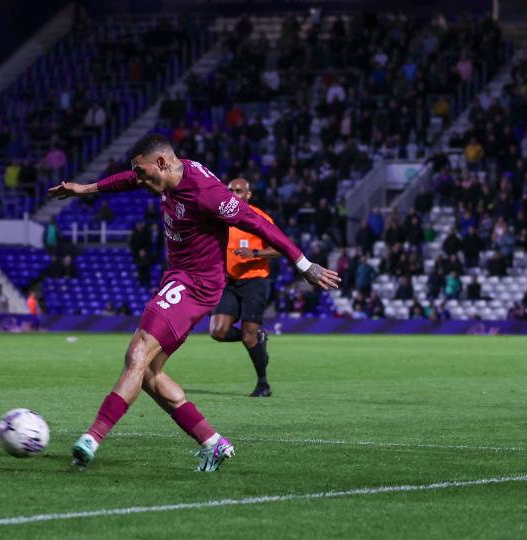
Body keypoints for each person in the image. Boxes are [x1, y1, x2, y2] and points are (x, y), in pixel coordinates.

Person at [49, 134, 338, 472]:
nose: (139, 181)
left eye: (142, 173)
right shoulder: (164, 173)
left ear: (160, 163)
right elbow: (129, 177)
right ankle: (213, 443)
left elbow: (257, 223)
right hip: (180, 276)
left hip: (196, 284)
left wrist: (305, 265)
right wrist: (87, 189)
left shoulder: (205, 193)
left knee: (137, 353)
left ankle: (91, 439)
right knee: (150, 373)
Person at [209, 178, 280, 397]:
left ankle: (263, 384)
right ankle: (256, 340)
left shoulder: (259, 217)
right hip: (228, 282)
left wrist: (255, 254)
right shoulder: (219, 218)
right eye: (230, 190)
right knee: (217, 331)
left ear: (248, 195)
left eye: (238, 191)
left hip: (254, 280)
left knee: (249, 336)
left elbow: (279, 248)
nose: (233, 193)